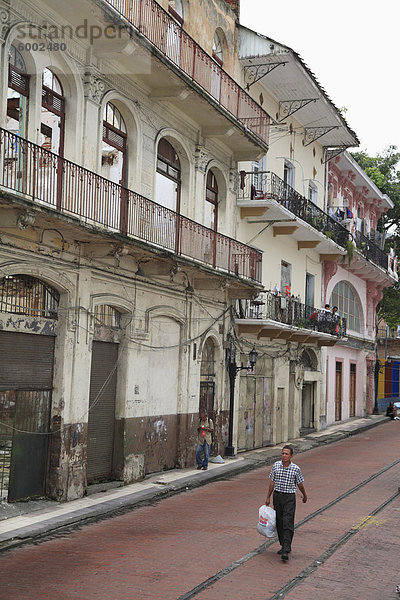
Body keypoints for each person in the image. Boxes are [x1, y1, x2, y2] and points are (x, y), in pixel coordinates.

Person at [265, 445, 307, 562]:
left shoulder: (295, 469)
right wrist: (268, 497)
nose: (284, 456)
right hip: (277, 496)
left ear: (291, 456)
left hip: (289, 498)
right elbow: (272, 482)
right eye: (283, 453)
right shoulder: (276, 466)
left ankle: (286, 548)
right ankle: (283, 544)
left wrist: (304, 495)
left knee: (287, 521)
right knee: (279, 521)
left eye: (286, 454)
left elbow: (300, 483)